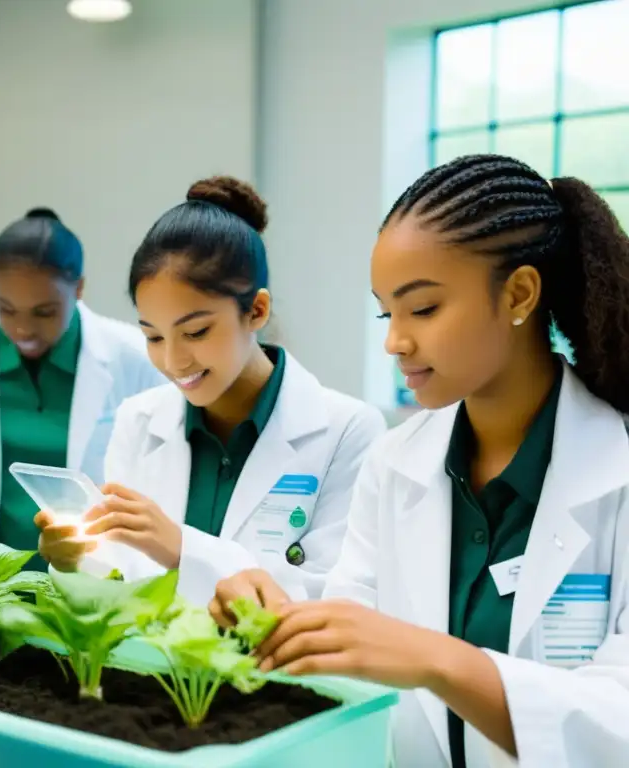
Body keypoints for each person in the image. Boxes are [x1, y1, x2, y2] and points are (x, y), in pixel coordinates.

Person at [208, 155, 629, 768]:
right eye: (387, 312)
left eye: (423, 309)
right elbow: (360, 633)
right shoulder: (395, 463)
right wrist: (283, 616)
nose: (394, 341)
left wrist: (440, 660)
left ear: (519, 294)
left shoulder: (616, 471)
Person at [36, 177, 386, 605]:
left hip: (275, 671)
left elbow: (332, 596)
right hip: (148, 667)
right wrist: (76, 557)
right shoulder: (138, 420)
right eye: (154, 337)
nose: (173, 361)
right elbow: (121, 572)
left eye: (196, 331)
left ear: (256, 310)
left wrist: (182, 549)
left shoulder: (349, 430)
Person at [0, 207, 162, 564]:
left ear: (79, 289)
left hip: (95, 568)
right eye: (6, 309)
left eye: (44, 312)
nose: (23, 329)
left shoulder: (133, 354)